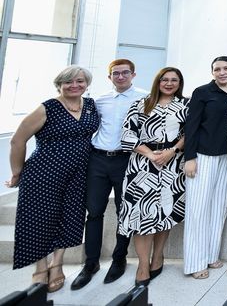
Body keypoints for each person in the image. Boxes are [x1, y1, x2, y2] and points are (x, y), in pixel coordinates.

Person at [6, 65, 100, 292]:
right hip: (44, 173)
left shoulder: (90, 105)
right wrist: (17, 172)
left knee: (70, 218)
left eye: (80, 81)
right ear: (59, 85)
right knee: (39, 219)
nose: (74, 85)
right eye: (68, 82)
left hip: (78, 174)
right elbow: (17, 140)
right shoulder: (47, 108)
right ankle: (40, 267)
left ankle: (57, 265)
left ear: (87, 84)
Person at [71, 59, 148, 290]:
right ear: (109, 77)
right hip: (98, 160)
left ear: (133, 75)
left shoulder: (145, 98)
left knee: (124, 212)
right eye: (116, 73)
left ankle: (119, 259)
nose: (120, 77)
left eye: (125, 73)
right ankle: (91, 263)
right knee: (94, 212)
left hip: (127, 160)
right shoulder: (99, 100)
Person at [117, 67, 188, 286]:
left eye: (174, 80)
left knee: (165, 212)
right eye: (165, 79)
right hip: (142, 166)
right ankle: (142, 264)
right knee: (141, 215)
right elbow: (127, 133)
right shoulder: (141, 104)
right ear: (157, 81)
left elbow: (190, 133)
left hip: (172, 164)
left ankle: (158, 257)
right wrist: (150, 154)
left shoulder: (186, 105)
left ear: (179, 83)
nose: (169, 83)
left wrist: (172, 151)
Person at [183, 56, 227, 279]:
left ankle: (211, 255)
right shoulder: (202, 92)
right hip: (203, 156)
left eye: (226, 68)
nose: (222, 72)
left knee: (219, 208)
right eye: (217, 69)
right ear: (212, 72)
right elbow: (191, 126)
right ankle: (195, 263)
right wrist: (189, 158)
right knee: (198, 209)